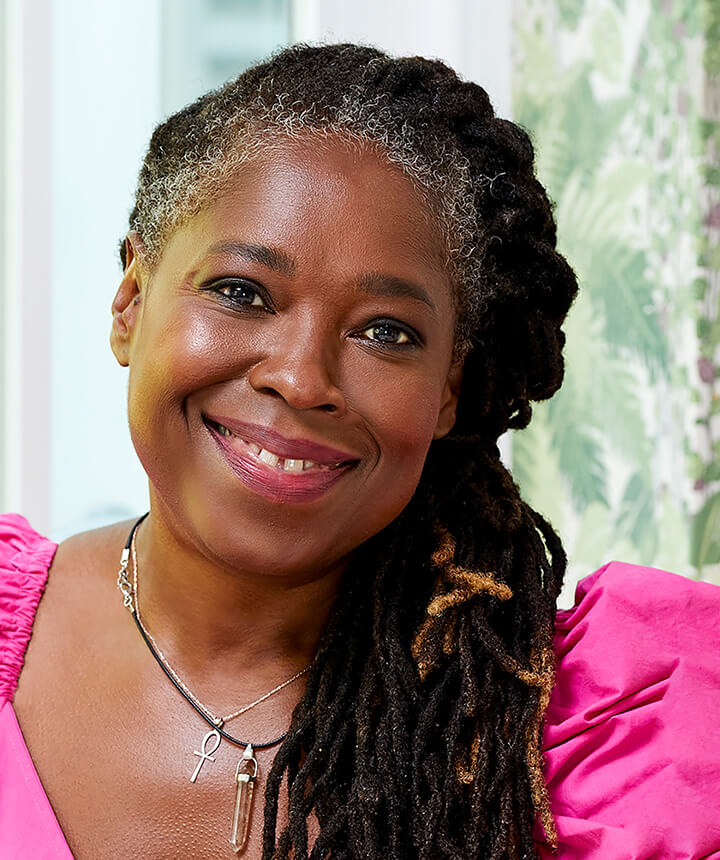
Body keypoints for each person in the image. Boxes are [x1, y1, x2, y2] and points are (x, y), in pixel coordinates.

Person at [1, 43, 719, 860]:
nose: (304, 380)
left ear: (449, 386)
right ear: (131, 300)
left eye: (387, 332)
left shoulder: (611, 734)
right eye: (242, 292)